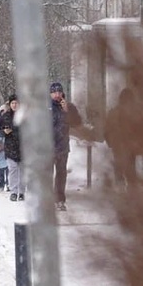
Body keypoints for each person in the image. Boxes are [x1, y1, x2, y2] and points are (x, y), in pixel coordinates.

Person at [50, 81, 83, 211]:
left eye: (59, 92)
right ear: (50, 94)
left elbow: (77, 123)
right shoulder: (46, 107)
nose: (57, 95)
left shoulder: (69, 106)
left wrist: (66, 112)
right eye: (54, 92)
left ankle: (59, 200)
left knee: (61, 174)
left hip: (63, 146)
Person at [105, 87, 137, 188]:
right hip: (128, 144)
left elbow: (106, 130)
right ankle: (131, 189)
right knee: (130, 167)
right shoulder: (133, 114)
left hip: (117, 144)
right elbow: (136, 129)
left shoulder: (112, 112)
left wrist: (110, 142)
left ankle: (121, 187)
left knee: (119, 165)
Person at [0, 94, 23, 201]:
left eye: (16, 103)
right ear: (10, 104)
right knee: (12, 170)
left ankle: (22, 192)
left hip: (23, 147)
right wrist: (4, 132)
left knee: (23, 170)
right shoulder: (5, 116)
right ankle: (14, 191)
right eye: (12, 103)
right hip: (10, 147)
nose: (14, 105)